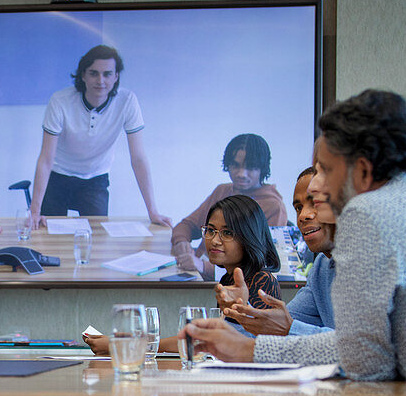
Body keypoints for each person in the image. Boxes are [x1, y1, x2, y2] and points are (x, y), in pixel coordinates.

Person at [181, 89, 406, 396]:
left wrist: (248, 351)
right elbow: (370, 350)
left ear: (362, 172)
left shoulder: (370, 211)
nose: (315, 188)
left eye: (324, 171)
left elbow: (364, 362)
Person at [83, 194, 279, 356]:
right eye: (210, 230)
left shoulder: (262, 280)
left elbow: (217, 341)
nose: (214, 240)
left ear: (249, 236)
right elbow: (212, 339)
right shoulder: (227, 279)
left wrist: (130, 345)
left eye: (227, 233)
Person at [28, 45, 170, 228]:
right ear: (83, 75)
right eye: (94, 73)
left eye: (107, 74)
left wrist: (153, 211)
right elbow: (46, 158)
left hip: (95, 179)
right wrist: (34, 211)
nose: (100, 81)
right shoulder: (60, 101)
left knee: (97, 239)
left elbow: (138, 158)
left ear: (116, 76)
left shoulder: (127, 101)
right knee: (47, 237)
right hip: (58, 176)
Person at [224, 166, 336, 336]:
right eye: (298, 207)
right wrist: (241, 311)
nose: (303, 216)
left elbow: (361, 348)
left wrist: (289, 328)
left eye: (315, 203)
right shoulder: (322, 266)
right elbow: (271, 328)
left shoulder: (373, 259)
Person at [171, 133, 287, 277]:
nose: (241, 174)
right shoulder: (222, 190)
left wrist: (203, 266)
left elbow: (259, 264)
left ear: (262, 168)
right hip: (197, 274)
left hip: (233, 285)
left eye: (250, 167)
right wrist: (181, 243)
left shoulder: (273, 206)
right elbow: (187, 225)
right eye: (235, 165)